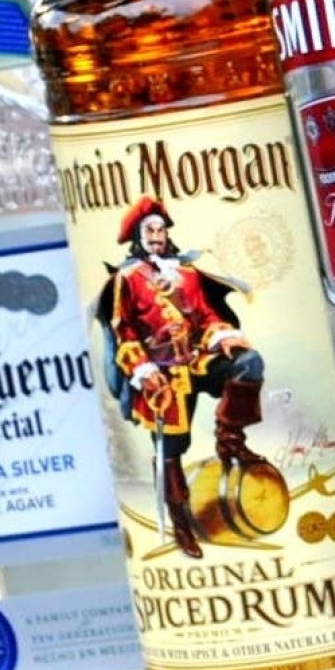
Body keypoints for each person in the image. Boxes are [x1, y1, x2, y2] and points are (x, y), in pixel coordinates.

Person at [95, 196, 268, 559]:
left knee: (249, 363)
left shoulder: (186, 274)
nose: (156, 236)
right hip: (162, 375)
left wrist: (222, 336)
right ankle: (181, 522)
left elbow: (206, 316)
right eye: (149, 230)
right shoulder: (128, 278)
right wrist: (142, 370)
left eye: (160, 230)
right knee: (170, 452)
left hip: (196, 360)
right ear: (138, 237)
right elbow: (124, 330)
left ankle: (229, 441)